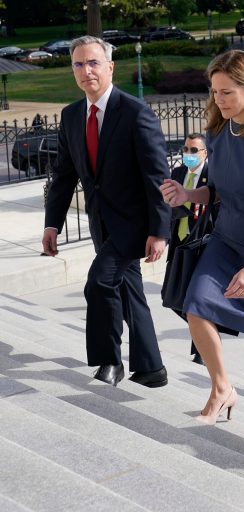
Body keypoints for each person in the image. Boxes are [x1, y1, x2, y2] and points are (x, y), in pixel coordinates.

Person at [159, 49, 244, 436]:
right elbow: (216, 192)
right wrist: (188, 197)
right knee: (196, 306)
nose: (218, 100)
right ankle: (222, 389)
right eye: (215, 91)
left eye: (227, 92)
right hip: (225, 239)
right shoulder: (218, 132)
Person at [42, 35, 170, 388]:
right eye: (79, 64)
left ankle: (109, 360)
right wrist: (53, 224)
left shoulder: (135, 113)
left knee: (99, 283)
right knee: (128, 291)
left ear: (110, 67)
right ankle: (152, 368)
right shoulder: (71, 116)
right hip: (101, 224)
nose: (87, 71)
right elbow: (64, 176)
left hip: (134, 226)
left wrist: (159, 231)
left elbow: (156, 176)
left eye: (94, 62)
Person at [162, 133, 217, 366]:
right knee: (171, 296)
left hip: (202, 243)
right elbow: (167, 205)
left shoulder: (212, 175)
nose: (189, 154)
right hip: (180, 242)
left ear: (205, 153)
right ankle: (205, 333)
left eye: (194, 150)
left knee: (196, 299)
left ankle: (201, 349)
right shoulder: (177, 173)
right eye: (186, 149)